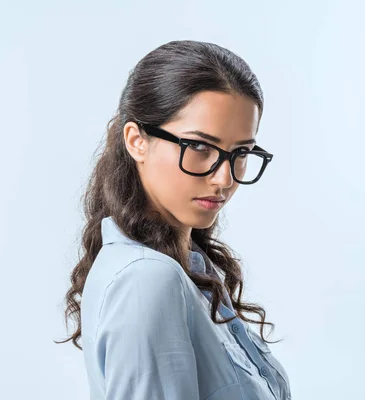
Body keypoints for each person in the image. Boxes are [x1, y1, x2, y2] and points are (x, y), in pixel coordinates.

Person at [55, 40, 292, 400]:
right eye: (199, 147)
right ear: (137, 140)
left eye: (240, 152)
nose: (224, 178)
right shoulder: (147, 278)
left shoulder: (188, 266)